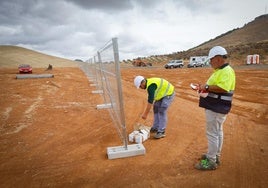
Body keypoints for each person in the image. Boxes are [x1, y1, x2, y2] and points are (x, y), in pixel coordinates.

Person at [193, 46, 236, 170]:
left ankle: (211, 161)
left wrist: (206, 87)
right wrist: (203, 87)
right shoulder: (221, 71)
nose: (210, 63)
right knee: (217, 132)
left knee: (212, 133)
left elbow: (223, 88)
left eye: (210, 60)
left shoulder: (226, 71)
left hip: (217, 108)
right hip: (217, 107)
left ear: (217, 58)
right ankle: (215, 155)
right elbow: (215, 87)